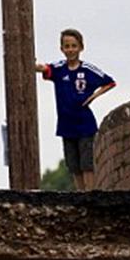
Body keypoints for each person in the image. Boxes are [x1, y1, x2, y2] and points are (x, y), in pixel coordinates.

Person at [35, 29, 115, 191]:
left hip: (84, 123)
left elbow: (109, 82)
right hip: (66, 124)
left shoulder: (88, 69)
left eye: (74, 46)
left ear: (80, 47)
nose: (70, 49)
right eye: (67, 46)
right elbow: (44, 68)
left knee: (86, 163)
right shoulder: (59, 69)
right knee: (74, 164)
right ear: (62, 49)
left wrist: (93, 96)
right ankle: (80, 194)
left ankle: (90, 193)